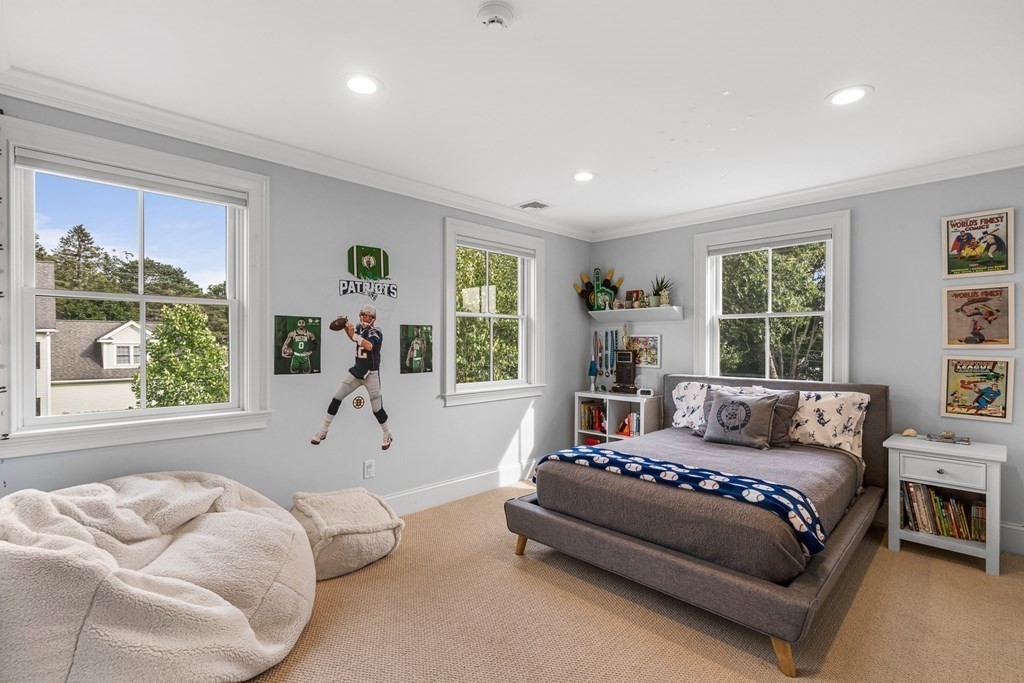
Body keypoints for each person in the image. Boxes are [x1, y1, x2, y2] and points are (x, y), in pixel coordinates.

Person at [311, 303, 393, 450]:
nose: (366, 318)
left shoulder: (376, 331)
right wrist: (347, 330)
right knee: (336, 397)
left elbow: (368, 346)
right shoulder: (359, 328)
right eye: (364, 315)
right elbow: (353, 339)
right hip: (356, 371)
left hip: (370, 375)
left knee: (377, 409)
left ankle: (387, 433)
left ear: (374, 318)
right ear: (360, 314)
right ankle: (323, 430)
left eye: (369, 316)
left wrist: (353, 333)